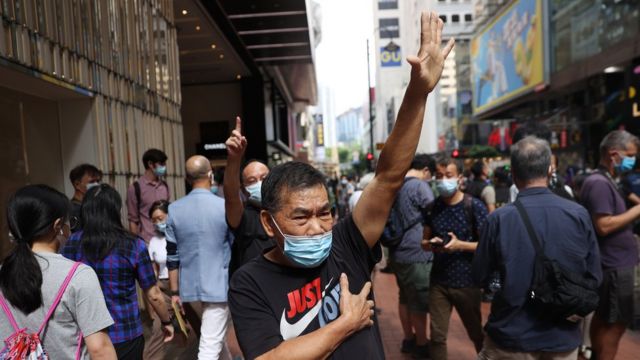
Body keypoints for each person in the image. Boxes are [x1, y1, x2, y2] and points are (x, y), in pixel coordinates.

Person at [228, 12, 454, 359]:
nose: (318, 227)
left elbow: (388, 176)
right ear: (268, 222)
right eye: (301, 218)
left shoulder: (346, 243)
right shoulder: (249, 282)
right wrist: (344, 324)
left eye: (324, 213)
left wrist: (417, 94)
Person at [472, 136, 602, 359]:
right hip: (562, 338)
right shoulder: (578, 214)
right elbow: (594, 275)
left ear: (513, 173)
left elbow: (480, 276)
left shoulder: (499, 219)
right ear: (551, 171)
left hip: (510, 336)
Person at [0, 185, 116, 359]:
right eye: (70, 222)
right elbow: (99, 349)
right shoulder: (78, 275)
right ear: (58, 226)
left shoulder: (3, 273)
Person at [62, 184, 174, 359]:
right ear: (116, 210)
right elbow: (153, 294)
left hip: (87, 335)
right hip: (125, 333)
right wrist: (167, 321)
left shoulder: (72, 243)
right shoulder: (133, 245)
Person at [580, 130, 640, 360]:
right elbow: (603, 225)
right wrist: (637, 210)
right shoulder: (598, 183)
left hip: (616, 265)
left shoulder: (606, 180)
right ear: (613, 154)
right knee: (614, 326)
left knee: (607, 321)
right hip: (614, 267)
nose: (632, 160)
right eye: (630, 155)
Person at [167, 155, 234, 359]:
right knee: (209, 346)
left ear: (187, 179)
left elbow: (172, 254)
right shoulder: (223, 206)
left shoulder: (174, 209)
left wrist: (175, 291)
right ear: (211, 175)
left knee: (215, 340)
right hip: (219, 285)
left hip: (188, 289)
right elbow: (233, 244)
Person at [421, 156, 487, 360]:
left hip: (467, 282)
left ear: (459, 178)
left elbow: (487, 245)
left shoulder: (474, 206)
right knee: (437, 337)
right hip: (439, 282)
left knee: (476, 333)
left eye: (448, 175)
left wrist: (460, 245)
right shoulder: (432, 207)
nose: (443, 180)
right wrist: (431, 245)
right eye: (439, 176)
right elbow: (423, 242)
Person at [387, 154, 435, 358]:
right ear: (425, 170)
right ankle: (422, 343)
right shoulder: (419, 186)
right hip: (417, 252)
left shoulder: (395, 185)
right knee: (419, 301)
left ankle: (408, 339)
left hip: (397, 252)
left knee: (404, 297)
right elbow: (435, 211)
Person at [224, 119, 276, 276]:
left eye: (264, 177)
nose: (260, 183)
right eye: (252, 181)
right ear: (244, 189)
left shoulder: (285, 210)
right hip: (254, 292)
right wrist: (234, 158)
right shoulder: (243, 217)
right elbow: (231, 197)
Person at [127, 148, 170, 243]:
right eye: (161, 164)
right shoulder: (135, 188)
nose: (164, 167)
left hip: (165, 240)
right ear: (150, 164)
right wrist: (135, 244)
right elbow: (133, 220)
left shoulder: (164, 186)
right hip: (146, 241)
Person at [68, 164, 102, 232]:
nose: (96, 185)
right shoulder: (73, 210)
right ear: (77, 184)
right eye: (92, 182)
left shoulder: (94, 205)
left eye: (97, 181)